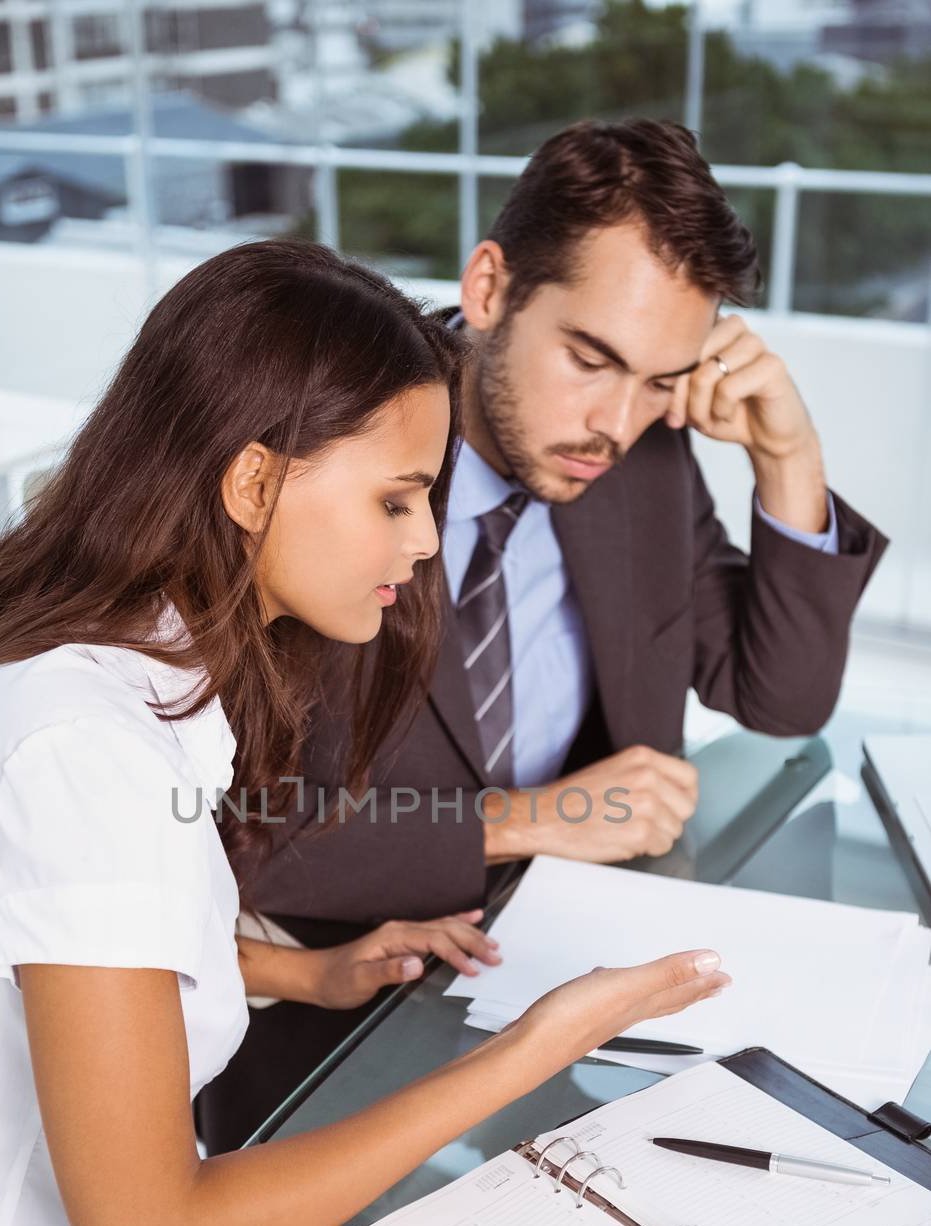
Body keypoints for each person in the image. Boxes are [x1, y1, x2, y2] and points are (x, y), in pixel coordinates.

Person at [0, 238, 730, 1226]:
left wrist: (297, 973)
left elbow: (69, 954)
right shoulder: (81, 752)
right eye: (395, 499)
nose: (426, 540)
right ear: (254, 482)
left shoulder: (122, 682)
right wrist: (526, 1050)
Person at [197, 117, 888, 1153]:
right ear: (488, 290)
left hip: (580, 983)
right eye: (589, 358)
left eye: (660, 379)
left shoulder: (639, 465)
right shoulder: (331, 462)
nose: (615, 420)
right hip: (336, 1024)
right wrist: (522, 818)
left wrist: (785, 456)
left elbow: (777, 697)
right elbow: (230, 835)